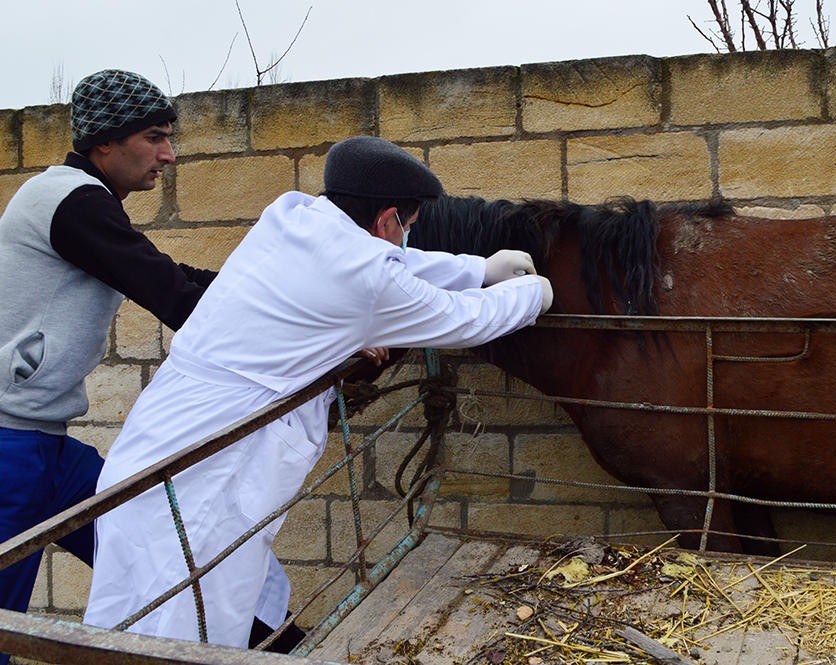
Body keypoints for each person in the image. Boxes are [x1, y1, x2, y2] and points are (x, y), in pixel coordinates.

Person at [83, 135, 553, 649]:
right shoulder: (366, 273)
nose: (406, 240)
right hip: (216, 464)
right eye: (408, 227)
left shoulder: (292, 217)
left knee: (141, 603)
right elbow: (463, 319)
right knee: (187, 626)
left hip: (160, 437)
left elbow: (388, 267)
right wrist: (531, 294)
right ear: (388, 219)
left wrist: (476, 269)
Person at [0, 69, 295, 664]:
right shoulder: (70, 201)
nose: (170, 154)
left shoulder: (84, 202)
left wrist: (302, 306)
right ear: (105, 143)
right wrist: (312, 322)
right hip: (9, 451)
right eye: (155, 137)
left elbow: (180, 280)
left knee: (172, 543)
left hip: (47, 449)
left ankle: (279, 644)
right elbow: (176, 296)